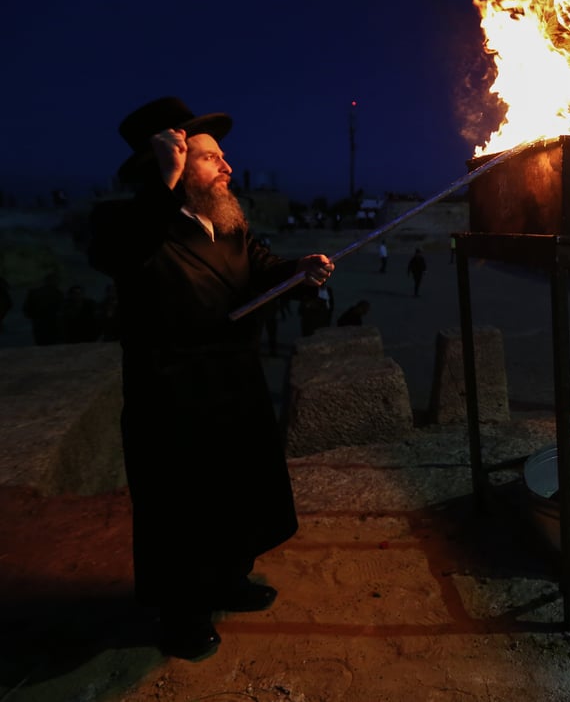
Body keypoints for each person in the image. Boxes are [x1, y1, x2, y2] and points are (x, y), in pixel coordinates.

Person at [88, 97, 336, 662]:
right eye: (208, 158)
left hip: (235, 385)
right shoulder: (133, 223)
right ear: (169, 169)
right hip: (172, 394)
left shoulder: (226, 223)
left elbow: (262, 269)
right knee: (182, 510)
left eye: (223, 156)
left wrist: (299, 273)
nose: (227, 166)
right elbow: (116, 253)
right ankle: (182, 616)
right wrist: (162, 184)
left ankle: (229, 580)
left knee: (237, 492)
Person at [22, 272, 64, 345]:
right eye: (57, 280)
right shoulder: (58, 293)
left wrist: (33, 316)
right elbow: (62, 309)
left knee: (42, 343)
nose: (58, 283)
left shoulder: (34, 292)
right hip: (52, 323)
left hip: (39, 323)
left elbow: (26, 309)